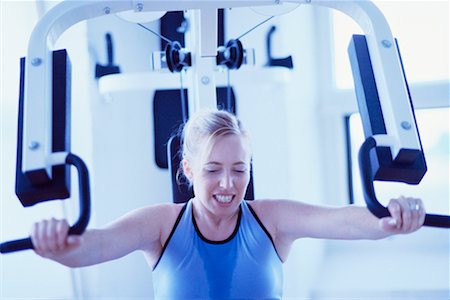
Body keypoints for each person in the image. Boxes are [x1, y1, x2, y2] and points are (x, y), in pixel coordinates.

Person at [31, 109, 425, 299]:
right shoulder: (161, 225)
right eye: (213, 169)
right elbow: (97, 245)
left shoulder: (271, 220)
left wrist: (389, 220)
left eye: (240, 169)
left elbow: (342, 222)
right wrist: (58, 246)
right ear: (186, 168)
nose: (227, 184)